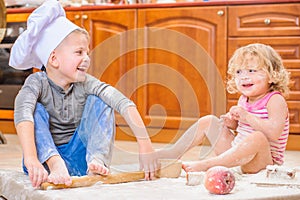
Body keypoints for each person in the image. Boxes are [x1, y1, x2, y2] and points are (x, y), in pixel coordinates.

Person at [9, 0, 157, 188]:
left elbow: (122, 102)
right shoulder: (36, 83)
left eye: (87, 52)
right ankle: (55, 163)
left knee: (101, 100)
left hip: (81, 161)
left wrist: (145, 145)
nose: (86, 58)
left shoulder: (86, 83)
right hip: (43, 162)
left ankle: (97, 162)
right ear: (54, 59)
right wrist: (31, 159)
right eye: (79, 52)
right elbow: (22, 115)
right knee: (34, 109)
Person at [156, 43, 290, 174]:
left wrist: (246, 116)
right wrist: (232, 123)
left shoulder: (275, 100)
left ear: (273, 75)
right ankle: (173, 153)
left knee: (258, 137)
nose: (244, 76)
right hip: (238, 157)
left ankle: (210, 164)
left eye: (251, 70)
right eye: (239, 71)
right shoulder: (244, 99)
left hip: (263, 164)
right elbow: (243, 129)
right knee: (209, 121)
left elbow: (274, 133)